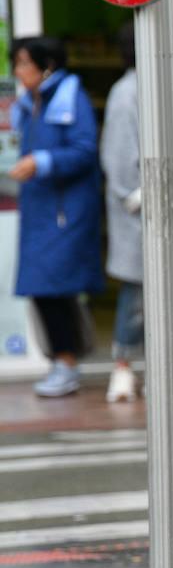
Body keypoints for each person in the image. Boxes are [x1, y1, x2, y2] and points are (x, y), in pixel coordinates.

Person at [100, 24, 173, 402]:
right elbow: (118, 154)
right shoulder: (127, 92)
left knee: (158, 290)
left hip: (162, 204)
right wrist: (137, 195)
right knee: (137, 290)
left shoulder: (151, 87)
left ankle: (156, 368)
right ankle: (123, 367)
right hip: (143, 207)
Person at [7, 36, 102, 398]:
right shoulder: (32, 101)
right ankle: (63, 360)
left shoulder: (68, 95)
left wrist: (41, 162)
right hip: (42, 208)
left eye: (24, 64)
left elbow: (83, 150)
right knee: (44, 287)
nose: (18, 72)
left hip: (65, 212)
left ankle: (66, 362)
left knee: (54, 286)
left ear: (46, 65)